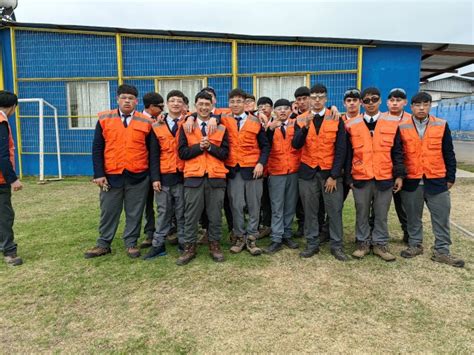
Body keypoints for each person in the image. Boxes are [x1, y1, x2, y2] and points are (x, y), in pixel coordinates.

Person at [85, 84, 157, 259]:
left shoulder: (147, 122)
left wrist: (151, 176)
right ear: (117, 99)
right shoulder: (104, 119)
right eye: (124, 97)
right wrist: (99, 174)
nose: (127, 101)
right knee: (109, 211)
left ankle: (131, 243)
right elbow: (97, 148)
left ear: (136, 101)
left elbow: (153, 152)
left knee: (135, 212)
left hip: (138, 175)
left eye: (131, 98)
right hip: (111, 175)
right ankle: (103, 243)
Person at [399, 92, 464, 267]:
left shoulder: (441, 125)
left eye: (425, 104)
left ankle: (442, 251)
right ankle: (415, 245)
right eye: (417, 105)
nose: (421, 108)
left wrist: (450, 177)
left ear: (430, 106)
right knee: (413, 217)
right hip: (412, 180)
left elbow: (449, 153)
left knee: (441, 217)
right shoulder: (402, 127)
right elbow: (399, 155)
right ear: (411, 107)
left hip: (436, 179)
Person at [345, 87, 405, 262]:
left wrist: (399, 175)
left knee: (381, 213)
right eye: (367, 100)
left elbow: (398, 152)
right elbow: (348, 154)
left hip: (384, 177)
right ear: (362, 103)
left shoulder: (392, 122)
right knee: (361, 212)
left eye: (374, 99)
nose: (370, 103)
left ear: (380, 101)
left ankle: (380, 244)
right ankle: (362, 242)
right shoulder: (352, 124)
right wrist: (349, 178)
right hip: (361, 178)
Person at [292, 84, 348, 261]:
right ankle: (312, 243)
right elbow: (296, 144)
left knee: (334, 210)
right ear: (309, 99)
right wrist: (305, 127)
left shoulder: (336, 118)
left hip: (329, 174)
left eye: (320, 96)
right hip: (308, 172)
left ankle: (337, 245)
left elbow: (341, 149)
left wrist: (334, 175)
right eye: (313, 96)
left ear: (326, 99)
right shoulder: (300, 120)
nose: (317, 100)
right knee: (310, 211)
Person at [177, 91, 229, 265]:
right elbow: (182, 153)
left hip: (215, 178)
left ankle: (214, 245)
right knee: (191, 215)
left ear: (212, 106)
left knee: (215, 215)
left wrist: (211, 147)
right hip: (194, 178)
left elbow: (225, 153)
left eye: (207, 104)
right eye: (201, 104)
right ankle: (189, 247)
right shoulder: (186, 126)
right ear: (195, 106)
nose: (204, 107)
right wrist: (200, 147)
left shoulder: (221, 127)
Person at [221, 88, 270, 256]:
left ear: (245, 103)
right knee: (236, 205)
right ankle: (239, 236)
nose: (235, 104)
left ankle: (251, 237)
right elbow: (202, 114)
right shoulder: (223, 119)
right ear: (228, 103)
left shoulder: (256, 121)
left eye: (239, 101)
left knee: (254, 205)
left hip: (253, 170)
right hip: (233, 170)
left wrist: (261, 163)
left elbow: (265, 146)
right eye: (232, 101)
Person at [143, 90, 187, 260]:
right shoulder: (157, 125)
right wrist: (155, 178)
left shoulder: (190, 122)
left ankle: (184, 243)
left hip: (183, 176)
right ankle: (158, 244)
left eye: (179, 101)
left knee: (182, 212)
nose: (176, 103)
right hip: (163, 176)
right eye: (172, 100)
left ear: (183, 105)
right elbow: (153, 154)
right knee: (163, 212)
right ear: (167, 104)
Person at [264, 99, 301, 253]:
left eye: (286, 108)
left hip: (293, 171)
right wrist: (270, 130)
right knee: (277, 206)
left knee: (290, 205)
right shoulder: (268, 126)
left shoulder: (295, 124)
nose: (283, 111)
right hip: (276, 171)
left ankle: (287, 234)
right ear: (274, 111)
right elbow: (264, 145)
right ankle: (276, 237)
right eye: (279, 109)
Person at [0, 90, 23, 266]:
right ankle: (9, 251)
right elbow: (2, 155)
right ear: (13, 107)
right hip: (0, 180)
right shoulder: (1, 121)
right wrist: (12, 179)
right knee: (5, 215)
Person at [140, 92, 165, 249]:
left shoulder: (162, 121)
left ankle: (167, 230)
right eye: (160, 107)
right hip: (142, 168)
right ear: (151, 107)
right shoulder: (141, 121)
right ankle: (150, 233)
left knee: (164, 202)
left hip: (160, 167)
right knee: (147, 202)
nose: (163, 109)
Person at [386, 88, 410, 243]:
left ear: (405, 102)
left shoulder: (410, 120)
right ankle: (375, 233)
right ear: (387, 103)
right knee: (379, 205)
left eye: (398, 100)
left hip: (406, 168)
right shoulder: (382, 119)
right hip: (384, 169)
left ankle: (408, 232)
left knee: (403, 204)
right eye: (392, 100)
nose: (395, 104)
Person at [256, 96, 274, 239]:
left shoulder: (276, 122)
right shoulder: (255, 122)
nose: (263, 108)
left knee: (270, 199)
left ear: (271, 108)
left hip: (274, 168)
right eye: (260, 105)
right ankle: (261, 224)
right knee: (260, 199)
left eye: (266, 105)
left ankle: (268, 224)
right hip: (259, 167)